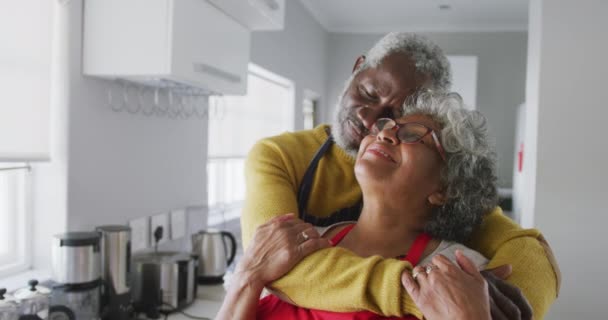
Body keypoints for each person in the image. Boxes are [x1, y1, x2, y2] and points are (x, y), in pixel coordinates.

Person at [242, 32, 560, 319]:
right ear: (358, 67)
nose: (372, 122)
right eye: (368, 93)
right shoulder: (280, 156)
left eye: (400, 120)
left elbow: (529, 252)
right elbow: (277, 264)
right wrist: (418, 292)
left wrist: (486, 308)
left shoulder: (439, 197)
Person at [220, 92, 504, 320]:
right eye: (386, 126)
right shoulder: (298, 242)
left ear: (444, 189)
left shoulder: (462, 272)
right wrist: (247, 276)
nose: (385, 134)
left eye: (413, 134)